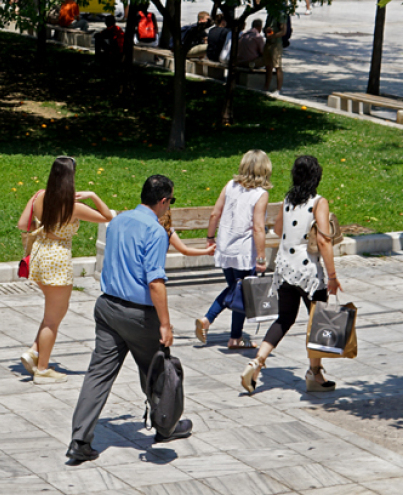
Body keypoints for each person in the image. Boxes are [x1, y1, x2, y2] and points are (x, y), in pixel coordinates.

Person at [67, 175, 192, 463]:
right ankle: (166, 426)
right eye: (171, 201)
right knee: (157, 371)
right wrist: (165, 324)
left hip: (107, 307)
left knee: (98, 375)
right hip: (139, 315)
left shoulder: (118, 221)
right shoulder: (156, 231)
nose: (169, 206)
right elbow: (155, 282)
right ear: (163, 201)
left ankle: (79, 440)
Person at [240, 155, 343, 394]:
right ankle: (315, 374)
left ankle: (257, 363)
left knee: (284, 319)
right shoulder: (319, 202)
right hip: (309, 272)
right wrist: (332, 276)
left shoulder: (288, 200)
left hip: (285, 269)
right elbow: (324, 241)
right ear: (316, 176)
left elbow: (278, 229)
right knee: (318, 322)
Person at [18, 157, 113, 384]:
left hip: (39, 255)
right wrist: (93, 196)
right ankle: (42, 370)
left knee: (53, 313)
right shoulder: (73, 206)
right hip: (57, 261)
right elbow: (108, 217)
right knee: (53, 319)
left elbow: (22, 224)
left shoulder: (38, 196)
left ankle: (34, 351)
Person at [195, 150, 272, 349]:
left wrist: (210, 238)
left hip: (225, 247)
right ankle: (208, 319)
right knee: (240, 291)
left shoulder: (230, 185)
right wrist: (261, 258)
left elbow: (215, 214)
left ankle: (235, 338)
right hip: (244, 252)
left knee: (236, 291)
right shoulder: (260, 194)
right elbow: (258, 227)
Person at [262, 21, 287, 93]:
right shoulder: (270, 16)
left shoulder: (281, 16)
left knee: (277, 66)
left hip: (276, 44)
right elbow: (266, 28)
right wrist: (267, 31)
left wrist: (272, 35)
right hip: (269, 43)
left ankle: (278, 89)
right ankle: (266, 87)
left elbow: (283, 31)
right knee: (268, 66)